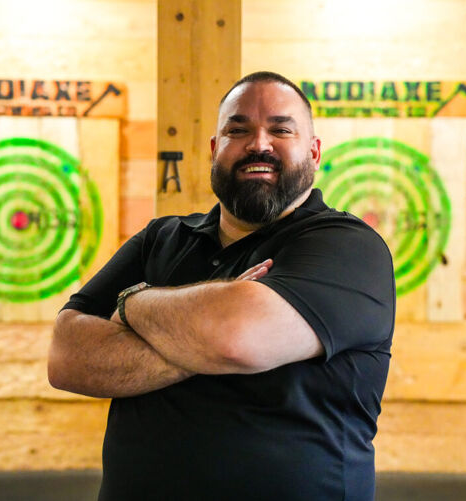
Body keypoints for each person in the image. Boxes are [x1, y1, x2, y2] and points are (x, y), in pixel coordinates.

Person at [48, 71, 395, 501]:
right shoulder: (162, 238)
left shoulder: (349, 247)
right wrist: (203, 334)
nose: (259, 144)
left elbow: (235, 339)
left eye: (280, 129)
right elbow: (67, 358)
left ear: (314, 150)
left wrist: (133, 303)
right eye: (238, 129)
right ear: (215, 149)